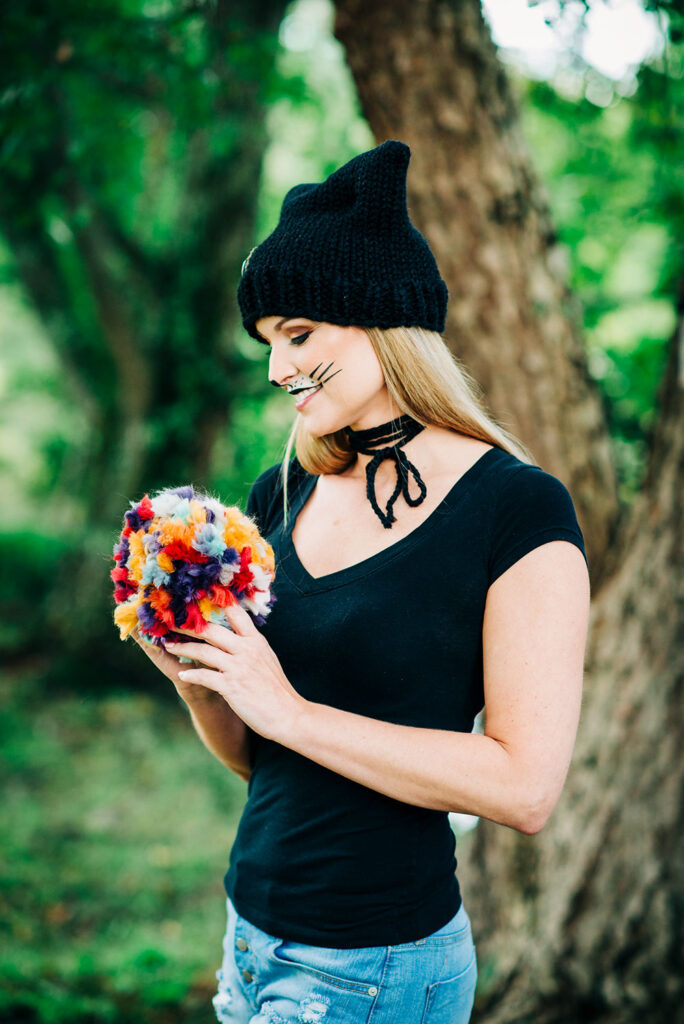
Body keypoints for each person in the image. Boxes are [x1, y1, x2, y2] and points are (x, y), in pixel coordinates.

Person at [134, 140, 591, 1024]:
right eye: (269, 343)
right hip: (249, 940)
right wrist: (199, 684)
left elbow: (524, 786)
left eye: (299, 335)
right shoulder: (282, 493)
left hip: (374, 966)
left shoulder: (517, 510)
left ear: (381, 319)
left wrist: (291, 709)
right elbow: (261, 761)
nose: (276, 369)